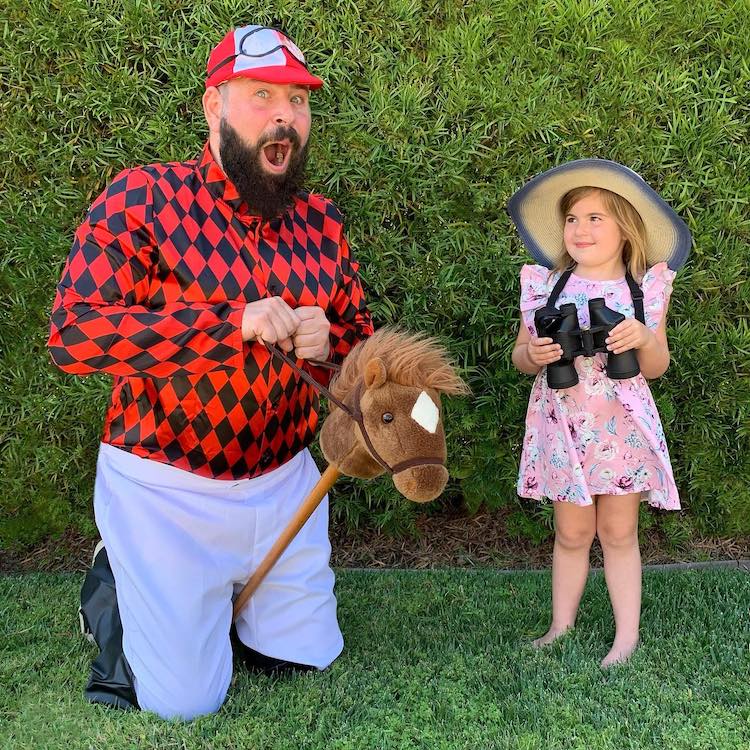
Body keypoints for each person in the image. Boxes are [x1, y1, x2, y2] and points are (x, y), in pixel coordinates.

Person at [47, 24, 373, 719]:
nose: (284, 117)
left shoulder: (323, 223)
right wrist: (232, 322)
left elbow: (365, 350)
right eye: (261, 96)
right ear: (213, 106)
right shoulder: (144, 199)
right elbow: (74, 334)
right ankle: (116, 585)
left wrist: (333, 341)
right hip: (165, 486)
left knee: (304, 658)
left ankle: (210, 597)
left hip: (285, 480)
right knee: (184, 703)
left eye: (297, 101)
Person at [507, 159, 691, 667]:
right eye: (573, 219)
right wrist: (537, 354)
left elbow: (655, 366)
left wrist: (644, 338)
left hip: (621, 429)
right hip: (563, 424)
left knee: (618, 531)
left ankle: (625, 637)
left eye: (595, 218)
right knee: (570, 532)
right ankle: (560, 626)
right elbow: (521, 357)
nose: (580, 229)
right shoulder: (544, 286)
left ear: (625, 229)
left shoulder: (645, 290)